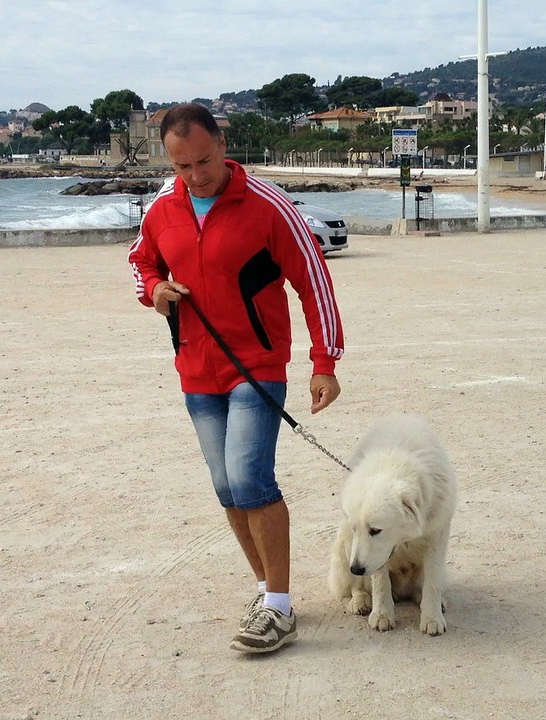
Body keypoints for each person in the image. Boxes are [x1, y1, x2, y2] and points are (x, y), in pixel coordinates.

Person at [127, 103, 344, 654]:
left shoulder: (267, 205)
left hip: (257, 366)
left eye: (203, 161)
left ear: (222, 145)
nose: (195, 176)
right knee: (226, 488)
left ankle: (279, 606)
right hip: (196, 369)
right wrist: (153, 291)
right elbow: (140, 261)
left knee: (249, 480)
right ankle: (264, 592)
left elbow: (313, 279)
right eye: (181, 167)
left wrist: (325, 362)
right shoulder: (162, 209)